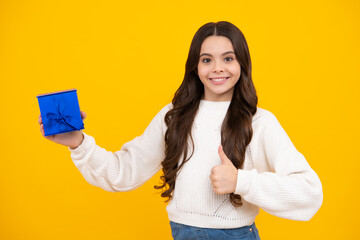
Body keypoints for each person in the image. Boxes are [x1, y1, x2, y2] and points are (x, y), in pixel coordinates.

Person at [38, 21, 323, 240]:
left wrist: (241, 182)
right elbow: (122, 173)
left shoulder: (259, 122)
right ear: (195, 67)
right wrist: (79, 143)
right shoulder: (173, 117)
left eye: (228, 58)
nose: (217, 69)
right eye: (207, 59)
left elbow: (310, 193)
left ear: (242, 64)